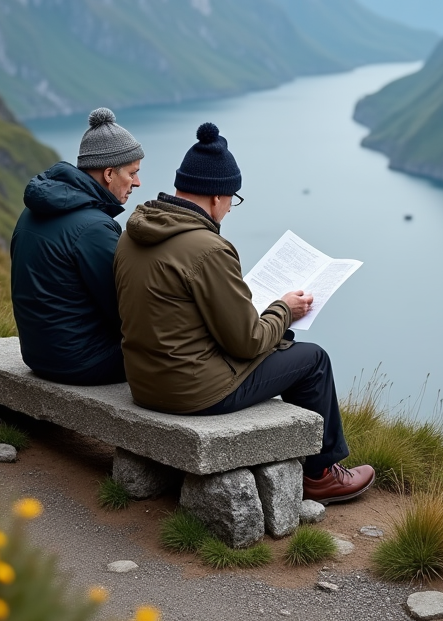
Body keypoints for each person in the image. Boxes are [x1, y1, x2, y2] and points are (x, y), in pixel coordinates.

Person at [115, 122, 374, 504]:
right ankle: (320, 474)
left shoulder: (133, 232)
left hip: (145, 382)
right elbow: (247, 341)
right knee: (311, 359)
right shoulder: (208, 248)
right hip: (191, 391)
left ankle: (312, 464)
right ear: (218, 197)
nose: (229, 210)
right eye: (232, 200)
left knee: (282, 342)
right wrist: (284, 308)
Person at [10, 107, 143, 386]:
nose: (137, 183)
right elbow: (125, 311)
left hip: (37, 354)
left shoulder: (32, 211)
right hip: (82, 362)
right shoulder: (93, 227)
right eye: (132, 173)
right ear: (109, 173)